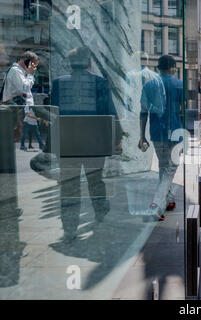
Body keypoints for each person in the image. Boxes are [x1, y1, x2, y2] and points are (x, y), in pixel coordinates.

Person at [51, 46, 120, 242]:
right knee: (95, 182)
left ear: (70, 64)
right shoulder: (100, 83)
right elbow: (110, 114)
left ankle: (70, 229)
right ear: (89, 63)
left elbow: (53, 116)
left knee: (69, 187)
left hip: (68, 143)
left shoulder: (57, 84)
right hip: (93, 144)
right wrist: (116, 140)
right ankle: (100, 215)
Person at [140, 55, 183, 222]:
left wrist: (141, 135)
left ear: (158, 67)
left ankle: (169, 198)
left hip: (157, 132)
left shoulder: (149, 85)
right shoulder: (179, 84)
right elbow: (183, 110)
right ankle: (157, 204)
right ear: (172, 67)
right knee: (170, 168)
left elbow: (143, 112)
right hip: (175, 131)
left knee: (164, 167)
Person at [0, 51, 45, 150]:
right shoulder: (16, 71)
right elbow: (24, 88)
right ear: (26, 61)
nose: (34, 68)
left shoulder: (19, 72)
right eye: (33, 65)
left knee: (21, 132)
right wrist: (31, 75)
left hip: (21, 109)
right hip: (17, 109)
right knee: (16, 133)